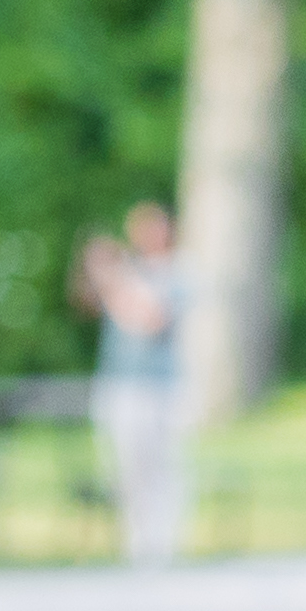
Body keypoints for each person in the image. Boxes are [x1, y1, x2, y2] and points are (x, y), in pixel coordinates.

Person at [77, 200, 188, 570]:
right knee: (125, 468)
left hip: (161, 388)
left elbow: (150, 318)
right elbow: (83, 302)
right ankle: (136, 545)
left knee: (163, 466)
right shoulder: (129, 271)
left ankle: (162, 547)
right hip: (120, 385)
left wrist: (116, 280)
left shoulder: (177, 273)